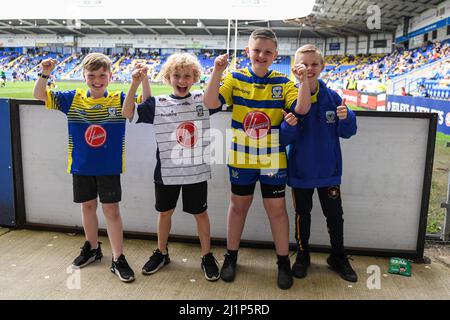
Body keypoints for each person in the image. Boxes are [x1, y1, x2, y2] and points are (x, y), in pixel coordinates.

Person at [204, 28, 311, 290]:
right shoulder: (234, 78)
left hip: (272, 159)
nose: (261, 55)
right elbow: (209, 102)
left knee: (276, 210)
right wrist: (218, 71)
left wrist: (304, 80)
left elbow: (303, 108)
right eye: (257, 50)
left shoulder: (284, 82)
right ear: (247, 52)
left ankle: (283, 261)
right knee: (238, 207)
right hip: (241, 158)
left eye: (267, 51)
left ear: (275, 55)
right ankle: (231, 257)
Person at [33, 53, 136, 283]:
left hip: (109, 167)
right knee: (88, 207)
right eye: (92, 75)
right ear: (84, 76)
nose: (97, 80)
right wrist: (45, 73)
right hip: (81, 166)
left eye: (102, 75)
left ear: (110, 76)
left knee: (111, 211)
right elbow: (40, 94)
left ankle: (118, 258)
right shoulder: (73, 98)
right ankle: (92, 248)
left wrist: (139, 80)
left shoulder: (119, 99)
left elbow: (141, 106)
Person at [122, 53, 221, 281]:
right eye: (177, 75)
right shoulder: (159, 103)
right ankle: (162, 252)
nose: (182, 80)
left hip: (196, 171)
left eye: (187, 76)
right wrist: (136, 82)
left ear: (195, 77)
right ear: (168, 77)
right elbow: (128, 112)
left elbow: (216, 98)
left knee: (200, 213)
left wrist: (217, 69)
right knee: (165, 212)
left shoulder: (203, 100)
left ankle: (206, 255)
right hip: (166, 173)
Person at [280, 44, 358, 283]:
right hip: (301, 171)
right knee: (303, 214)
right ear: (295, 68)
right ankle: (303, 255)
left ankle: (338, 256)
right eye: (304, 65)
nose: (309, 69)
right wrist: (288, 126)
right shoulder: (290, 96)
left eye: (314, 64)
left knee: (335, 216)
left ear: (322, 67)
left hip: (328, 172)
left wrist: (348, 118)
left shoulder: (332, 97)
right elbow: (282, 138)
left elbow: (348, 132)